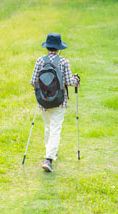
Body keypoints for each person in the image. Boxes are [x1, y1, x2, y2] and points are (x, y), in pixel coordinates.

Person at [30, 33, 80, 172]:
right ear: (59, 48)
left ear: (47, 47)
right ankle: (49, 158)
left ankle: (50, 153)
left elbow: (33, 82)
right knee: (56, 128)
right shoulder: (64, 62)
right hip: (59, 100)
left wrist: (42, 94)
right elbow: (70, 82)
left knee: (48, 127)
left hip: (44, 102)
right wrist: (77, 80)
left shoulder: (40, 61)